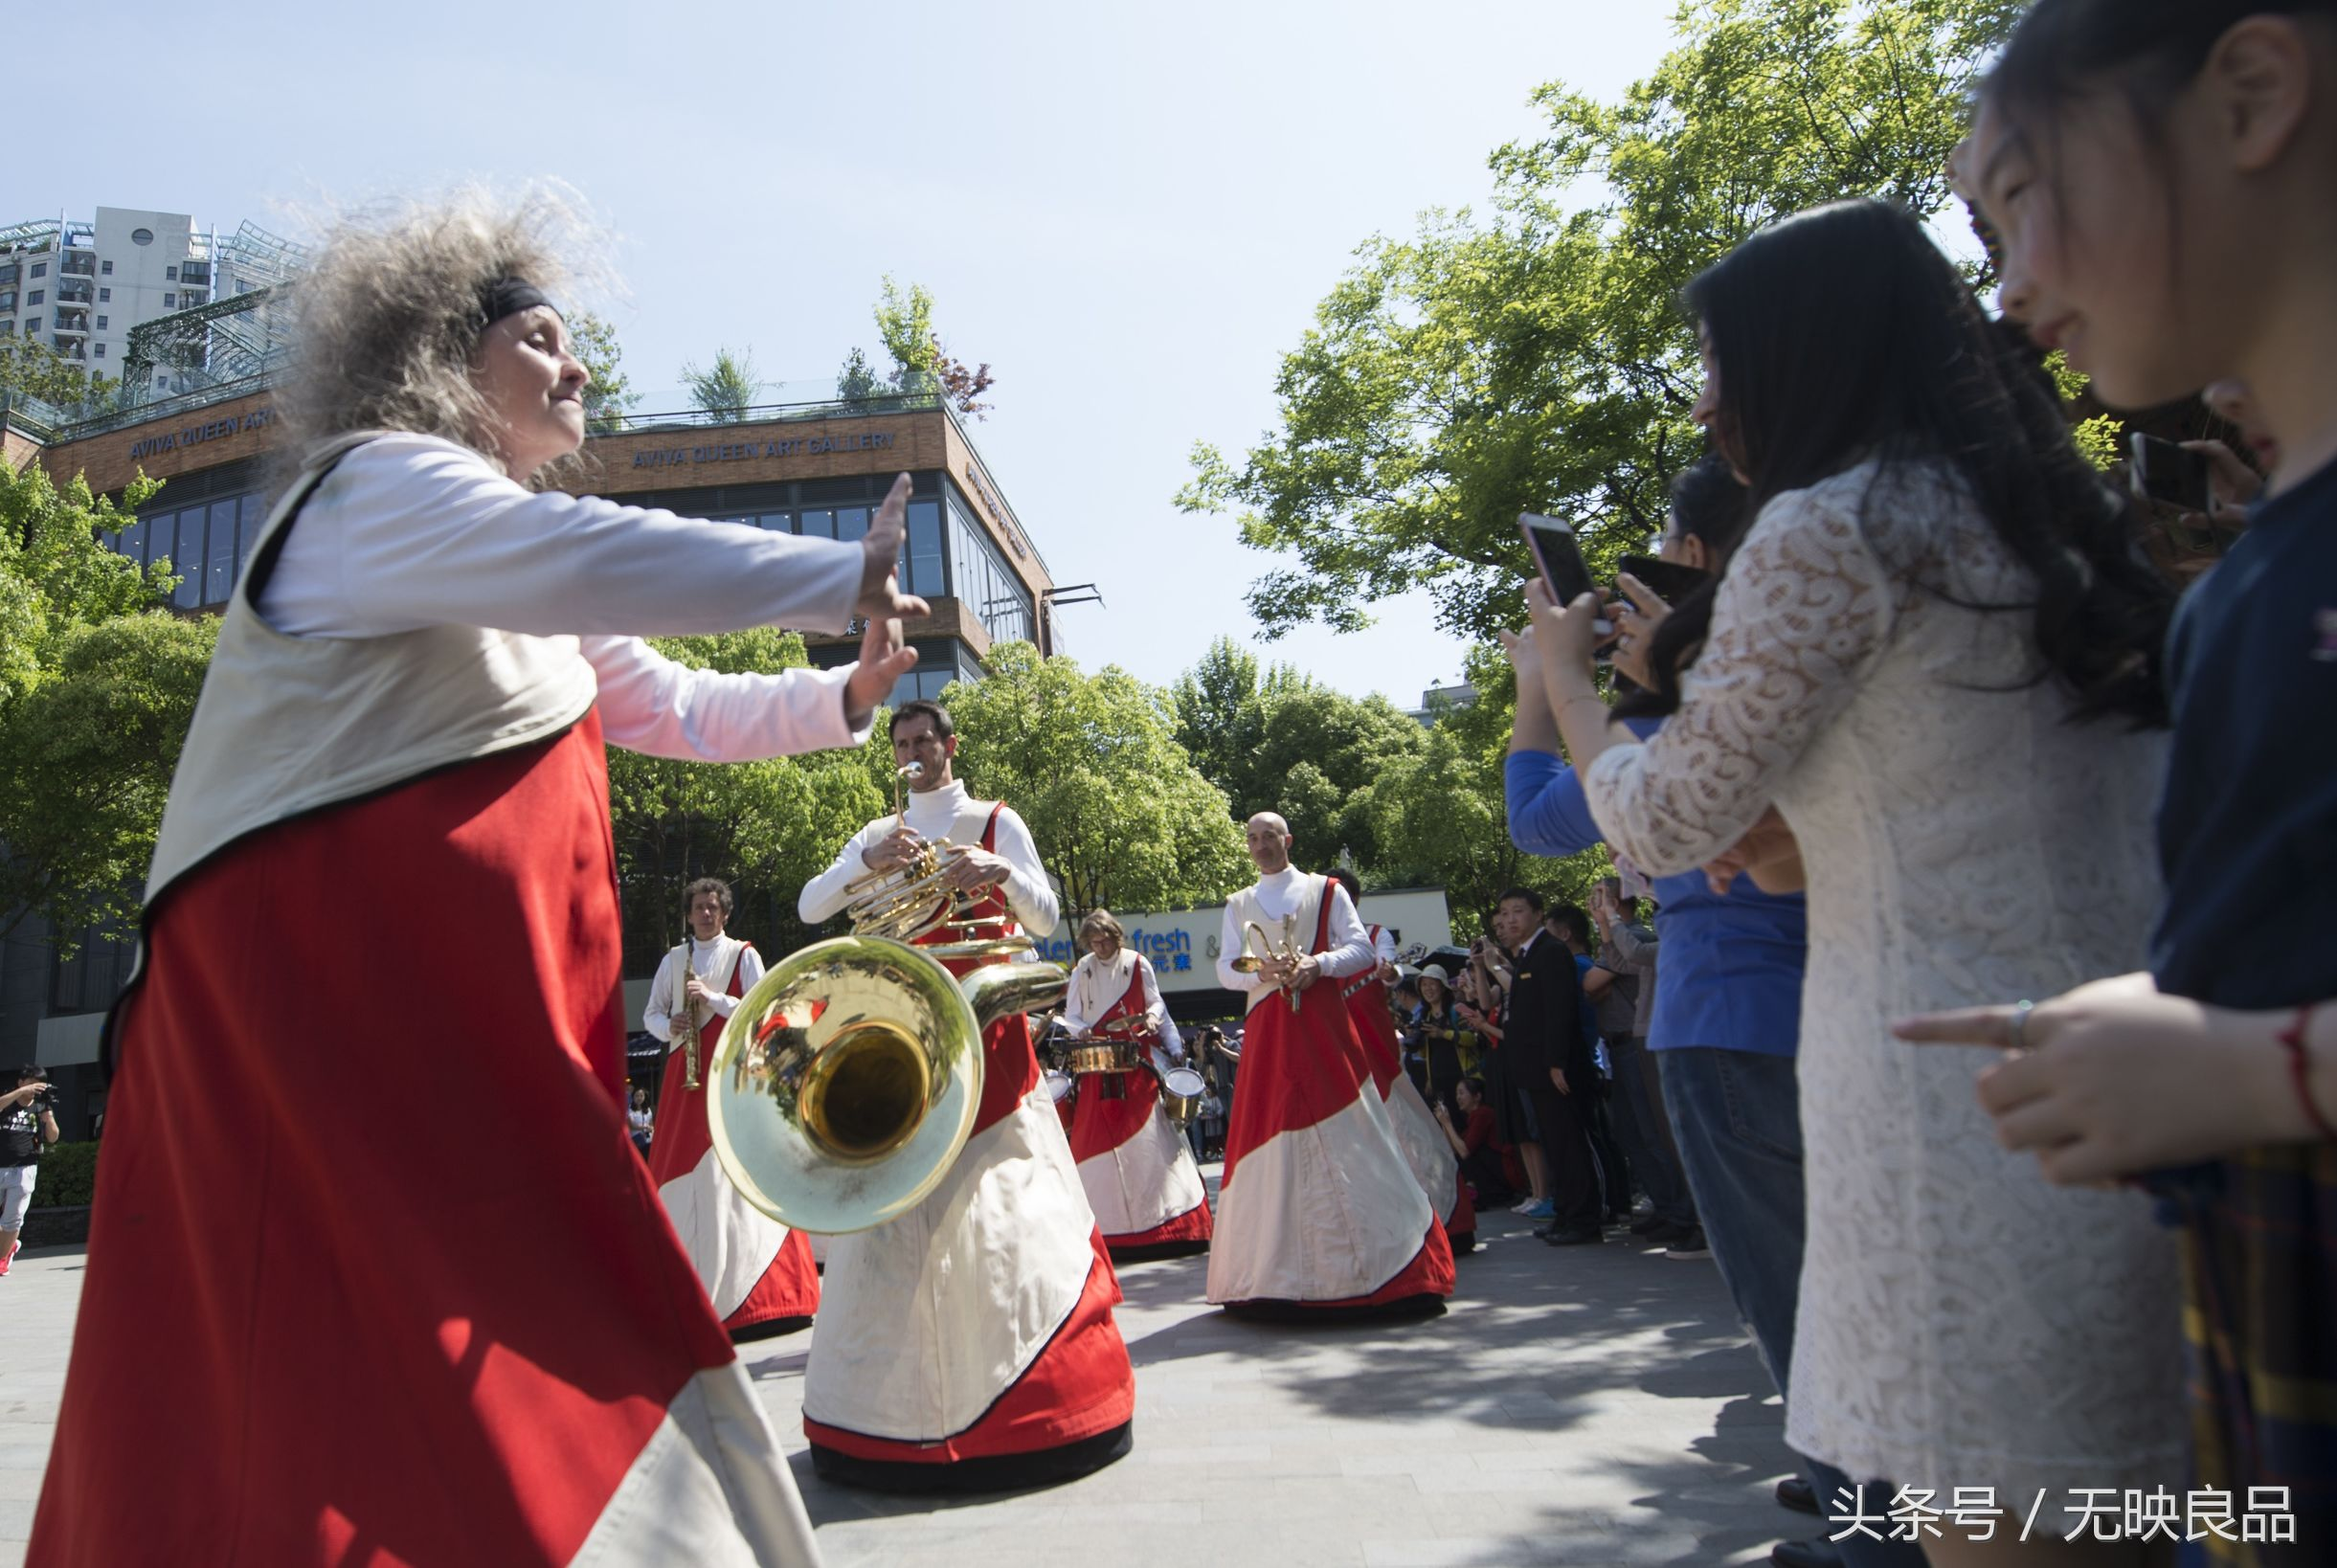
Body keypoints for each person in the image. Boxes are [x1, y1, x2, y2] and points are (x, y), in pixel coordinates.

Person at [29, 193, 933, 1565]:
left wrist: (842, 693)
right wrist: (838, 570)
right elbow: (591, 551)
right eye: (546, 337)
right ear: (447, 358)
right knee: (346, 1403)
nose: (580, 370)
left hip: (457, 1058)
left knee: (475, 1386)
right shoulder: (376, 484)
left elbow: (679, 703)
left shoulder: (501, 559)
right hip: (318, 1048)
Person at [1531, 195, 2187, 1563]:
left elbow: (1660, 820)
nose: (1712, 406)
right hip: (2127, 1080)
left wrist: (1567, 690)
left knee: (1994, 1517)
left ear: (1803, 353)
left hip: (1945, 1118)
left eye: (1723, 363)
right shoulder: (2051, 524)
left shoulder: (1831, 530)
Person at [1896, 9, 2337, 1561]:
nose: (2009, 291)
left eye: (2021, 195)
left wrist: (2261, 1066)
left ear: (2256, 90)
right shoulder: (2242, 588)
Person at [1507, 457, 1888, 1567]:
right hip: (1861, 1004)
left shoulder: (1703, 711)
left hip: (1731, 1023)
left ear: (1694, 560)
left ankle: (1861, 1524)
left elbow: (1541, 819)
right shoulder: (1835, 659)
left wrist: (1551, 677)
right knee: (1872, 1295)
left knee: (1804, 1309)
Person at [797, 699, 1135, 1490]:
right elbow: (815, 908)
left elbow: (1047, 920)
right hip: (906, 1035)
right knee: (900, 1208)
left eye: (926, 740)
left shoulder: (993, 819)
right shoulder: (879, 834)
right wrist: (864, 864)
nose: (916, 753)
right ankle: (893, 1411)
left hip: (988, 1038)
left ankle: (1026, 1388)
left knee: (1003, 1204)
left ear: (950, 746)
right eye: (903, 744)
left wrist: (999, 872)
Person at [1207, 814, 1455, 1317]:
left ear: (1287, 840)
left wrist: (1317, 965)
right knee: (1267, 1133)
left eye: (1269, 837)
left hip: (1323, 1027)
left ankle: (1390, 1260)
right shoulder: (1237, 904)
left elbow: (1361, 948)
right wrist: (1265, 970)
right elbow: (1226, 966)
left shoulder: (1327, 890)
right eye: (1253, 839)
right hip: (1269, 1031)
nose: (1261, 846)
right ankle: (1269, 1273)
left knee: (1357, 1132)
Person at [642, 876, 818, 1341]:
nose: (705, 913)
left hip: (734, 1073)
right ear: (688, 914)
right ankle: (690, 1297)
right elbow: (651, 1015)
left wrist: (713, 999)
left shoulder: (743, 954)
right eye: (698, 907)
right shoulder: (673, 961)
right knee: (683, 1174)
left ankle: (764, 1297)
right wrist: (670, 1026)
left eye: (713, 907)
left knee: (741, 1168)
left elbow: (764, 1010)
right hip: (685, 1076)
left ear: (724, 913)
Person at [1327, 867, 1473, 1256]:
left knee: (1407, 1133)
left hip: (1377, 1054)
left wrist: (1389, 971)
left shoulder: (1377, 935)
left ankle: (1442, 1220)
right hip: (1338, 1053)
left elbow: (1389, 969)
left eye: (1339, 895)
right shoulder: (1318, 948)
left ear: (1352, 899)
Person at [1059, 908, 1213, 1260]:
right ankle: (1099, 1229)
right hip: (1097, 1064)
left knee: (1155, 1136)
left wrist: (1156, 1021)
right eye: (1094, 941)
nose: (1100, 947)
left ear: (1117, 936)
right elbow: (1071, 1015)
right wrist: (1079, 1028)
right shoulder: (1081, 969)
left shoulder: (1138, 963)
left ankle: (1173, 1223)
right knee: (1094, 1139)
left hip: (1135, 1058)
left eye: (1105, 940)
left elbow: (1156, 1001)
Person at [1587, 881, 1700, 1252]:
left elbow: (1628, 956)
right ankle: (1674, 1210)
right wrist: (1606, 927)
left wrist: (1613, 922)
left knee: (1660, 1133)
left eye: (1600, 897)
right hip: (1639, 1037)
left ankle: (1690, 1216)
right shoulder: (1639, 937)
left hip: (1658, 1037)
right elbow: (1620, 961)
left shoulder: (1652, 935)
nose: (1594, 903)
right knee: (1641, 1133)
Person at [1491, 889, 1601, 1247]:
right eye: (1504, 913)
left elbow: (1559, 1013)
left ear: (1538, 914)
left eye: (1518, 911)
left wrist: (1557, 1063)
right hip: (1534, 1070)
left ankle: (1584, 1220)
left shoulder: (1550, 952)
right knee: (1555, 1144)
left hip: (1555, 1069)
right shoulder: (1526, 955)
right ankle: (1567, 1214)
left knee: (1569, 1144)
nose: (1509, 920)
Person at [2, 1066, 61, 1278]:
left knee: (13, 1219)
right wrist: (19, 1094)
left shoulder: (41, 1106)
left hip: (25, 1168)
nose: (35, 1088)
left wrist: (49, 1119)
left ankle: (4, 1257)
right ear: (20, 1082)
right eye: (32, 1082)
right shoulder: (7, 1101)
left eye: (40, 1083)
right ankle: (9, 1245)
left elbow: (53, 1137)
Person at [1433, 1077, 1516, 1211]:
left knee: (1469, 1153)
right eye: (1457, 1094)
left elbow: (1464, 1152)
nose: (1458, 1098)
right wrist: (1444, 1123)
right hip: (1491, 1170)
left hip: (1501, 1171)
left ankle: (1479, 1190)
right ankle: (1471, 1188)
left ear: (1477, 1096)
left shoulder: (1483, 1114)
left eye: (1462, 1093)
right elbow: (1453, 1149)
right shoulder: (1473, 1116)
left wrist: (1448, 1124)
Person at [626, 1086, 653, 1155]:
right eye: (637, 1096)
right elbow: (632, 1126)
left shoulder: (648, 1110)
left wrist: (651, 1128)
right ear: (633, 1097)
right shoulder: (629, 1110)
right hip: (635, 1141)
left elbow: (651, 1124)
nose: (639, 1098)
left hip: (647, 1140)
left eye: (641, 1096)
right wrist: (645, 1127)